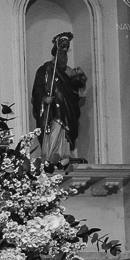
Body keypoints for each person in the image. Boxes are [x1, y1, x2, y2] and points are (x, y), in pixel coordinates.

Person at [30, 31, 87, 167]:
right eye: (61, 53)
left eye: (66, 54)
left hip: (67, 110)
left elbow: (75, 92)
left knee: (66, 132)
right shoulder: (45, 69)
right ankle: (51, 155)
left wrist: (80, 82)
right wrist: (44, 98)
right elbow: (37, 89)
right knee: (54, 130)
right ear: (56, 53)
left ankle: (65, 155)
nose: (64, 57)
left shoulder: (69, 72)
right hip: (53, 112)